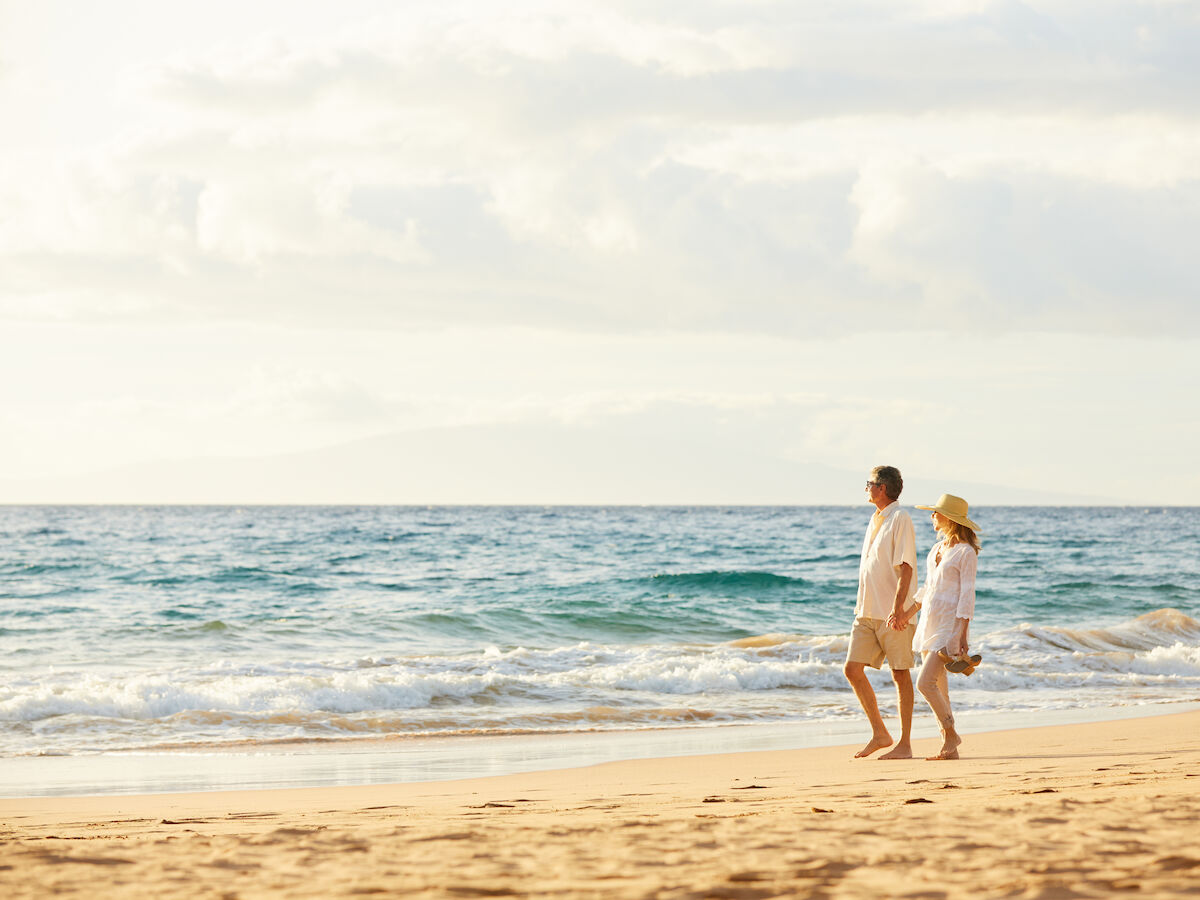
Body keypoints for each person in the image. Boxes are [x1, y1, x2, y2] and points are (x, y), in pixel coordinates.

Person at [843, 465, 919, 759]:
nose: (866, 488)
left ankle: (905, 744)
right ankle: (880, 733)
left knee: (900, 674)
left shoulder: (900, 518)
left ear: (882, 488)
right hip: (866, 612)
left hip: (893, 614)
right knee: (852, 669)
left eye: (869, 484)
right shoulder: (876, 519)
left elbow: (907, 567)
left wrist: (899, 609)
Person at [911, 494, 981, 761]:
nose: (932, 517)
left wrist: (961, 634)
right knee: (940, 688)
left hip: (949, 626)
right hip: (930, 622)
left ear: (949, 519)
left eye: (936, 513)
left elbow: (967, 594)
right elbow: (928, 588)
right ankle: (948, 747)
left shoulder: (966, 552)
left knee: (925, 684)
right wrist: (907, 613)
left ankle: (951, 734)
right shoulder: (936, 550)